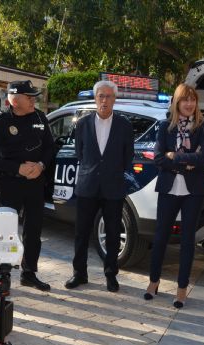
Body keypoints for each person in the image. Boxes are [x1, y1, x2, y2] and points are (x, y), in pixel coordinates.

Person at [0, 80, 55, 291]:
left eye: (34, 96)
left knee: (33, 230)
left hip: (35, 183)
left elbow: (50, 147)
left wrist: (41, 166)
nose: (34, 100)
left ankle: (29, 273)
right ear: (14, 100)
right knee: (5, 232)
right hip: (8, 184)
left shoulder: (40, 117)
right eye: (29, 97)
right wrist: (17, 168)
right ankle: (2, 277)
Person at [64, 81, 133, 292]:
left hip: (113, 187)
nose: (104, 100)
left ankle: (111, 275)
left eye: (108, 96)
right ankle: (79, 274)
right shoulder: (83, 123)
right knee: (81, 233)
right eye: (101, 96)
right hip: (88, 186)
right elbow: (80, 153)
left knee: (112, 234)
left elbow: (127, 157)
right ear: (95, 99)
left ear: (114, 99)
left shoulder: (124, 125)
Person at [144, 83, 204, 308]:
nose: (189, 104)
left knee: (187, 240)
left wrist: (176, 157)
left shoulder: (203, 127)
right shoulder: (165, 127)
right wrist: (187, 160)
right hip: (169, 189)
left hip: (194, 191)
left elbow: (202, 159)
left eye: (193, 99)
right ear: (177, 102)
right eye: (185, 99)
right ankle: (153, 282)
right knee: (161, 236)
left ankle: (182, 289)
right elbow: (159, 159)